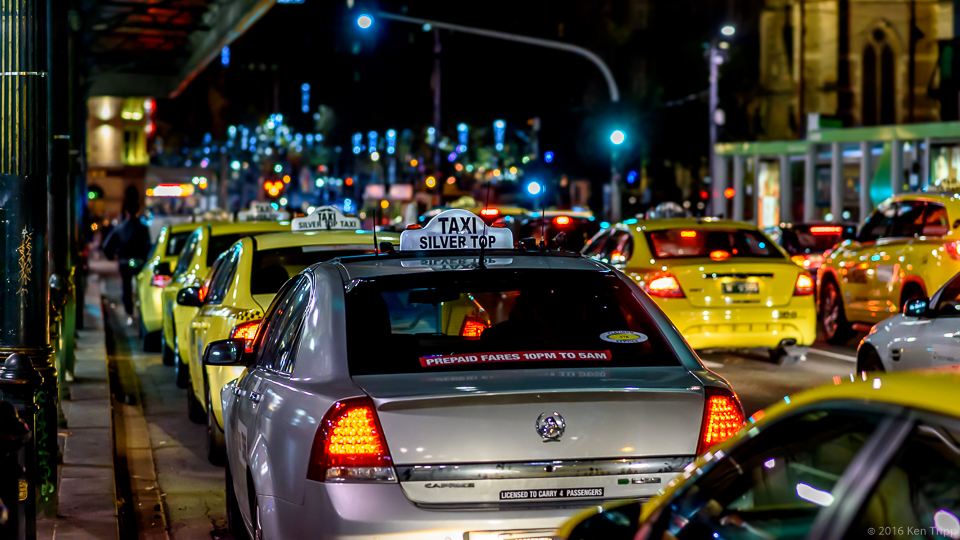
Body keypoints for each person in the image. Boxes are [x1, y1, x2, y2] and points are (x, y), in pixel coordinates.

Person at [102, 195, 151, 325]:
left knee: (126, 287)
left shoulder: (119, 228)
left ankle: (129, 312)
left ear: (126, 211)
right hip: (140, 262)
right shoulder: (143, 228)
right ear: (138, 211)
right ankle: (142, 309)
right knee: (141, 286)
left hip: (124, 262)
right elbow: (148, 247)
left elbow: (107, 246)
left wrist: (112, 256)